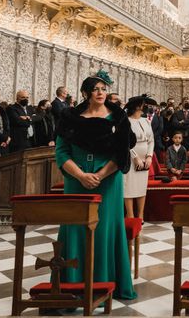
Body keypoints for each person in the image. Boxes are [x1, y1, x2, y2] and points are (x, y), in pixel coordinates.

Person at [55, 71, 136, 300]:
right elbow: (61, 152)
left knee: (105, 229)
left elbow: (121, 154)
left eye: (103, 89)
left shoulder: (118, 117)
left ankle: (106, 283)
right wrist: (81, 175)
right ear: (86, 93)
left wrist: (99, 175)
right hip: (76, 182)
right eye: (96, 89)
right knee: (75, 230)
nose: (101, 93)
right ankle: (73, 285)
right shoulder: (70, 117)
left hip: (108, 182)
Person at [123, 95, 155, 220]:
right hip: (131, 159)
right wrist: (135, 157)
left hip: (145, 159)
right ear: (137, 106)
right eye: (143, 104)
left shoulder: (145, 121)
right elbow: (124, 142)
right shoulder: (126, 121)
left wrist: (149, 156)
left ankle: (140, 215)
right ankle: (130, 215)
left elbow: (151, 140)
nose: (145, 107)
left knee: (142, 187)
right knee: (129, 186)